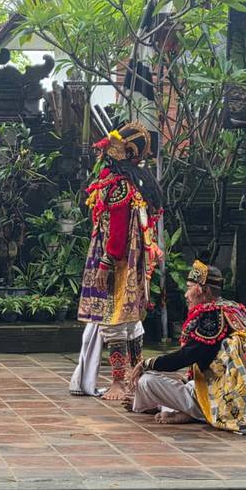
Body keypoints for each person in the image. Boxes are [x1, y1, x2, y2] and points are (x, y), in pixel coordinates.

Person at [77, 122, 162, 400]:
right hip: (130, 259)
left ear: (127, 154)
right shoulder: (131, 183)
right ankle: (135, 378)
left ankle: (120, 382)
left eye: (113, 147)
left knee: (115, 318)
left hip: (117, 260)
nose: (106, 151)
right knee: (130, 317)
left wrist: (105, 262)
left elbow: (117, 230)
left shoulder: (119, 187)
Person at [127, 261, 246, 430]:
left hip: (220, 399)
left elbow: (186, 357)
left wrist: (147, 363)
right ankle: (175, 407)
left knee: (146, 381)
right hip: (226, 388)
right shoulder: (235, 309)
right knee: (189, 383)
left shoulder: (211, 316)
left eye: (189, 287)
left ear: (202, 290)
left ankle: (191, 412)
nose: (185, 294)